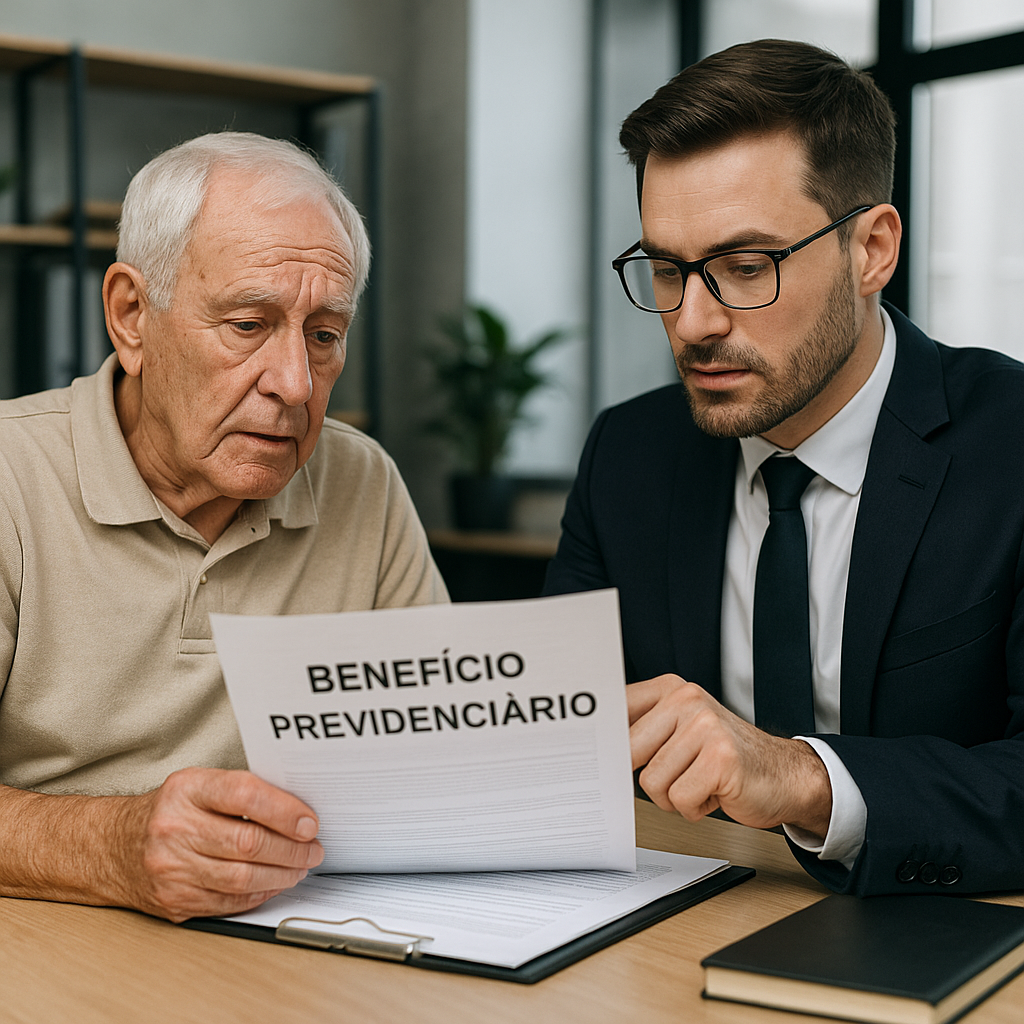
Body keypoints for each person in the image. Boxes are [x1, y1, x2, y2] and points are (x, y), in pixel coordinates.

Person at [544, 39, 1024, 896]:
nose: (692, 322)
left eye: (743, 267)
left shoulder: (1011, 444)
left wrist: (801, 779)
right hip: (681, 929)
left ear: (872, 249)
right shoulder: (629, 455)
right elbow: (559, 739)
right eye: (665, 269)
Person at [0, 132, 447, 921]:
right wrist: (111, 846)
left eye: (324, 335)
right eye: (248, 324)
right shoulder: (9, 476)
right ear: (132, 316)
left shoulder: (362, 480)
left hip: (295, 941)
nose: (295, 384)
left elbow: (437, 763)